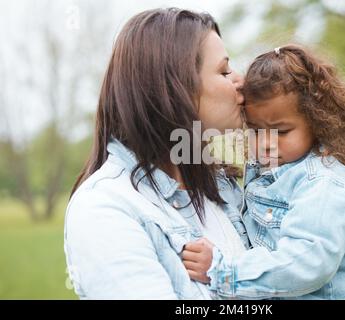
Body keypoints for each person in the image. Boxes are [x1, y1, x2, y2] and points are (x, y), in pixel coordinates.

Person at [64, 8, 248, 299]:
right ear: (175, 88)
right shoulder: (105, 208)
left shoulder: (223, 186)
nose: (241, 82)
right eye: (224, 71)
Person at [182, 44, 345, 299]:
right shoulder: (272, 168)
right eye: (254, 130)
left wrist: (222, 271)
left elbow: (305, 265)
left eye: (282, 131)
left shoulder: (324, 183)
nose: (266, 142)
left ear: (317, 122)